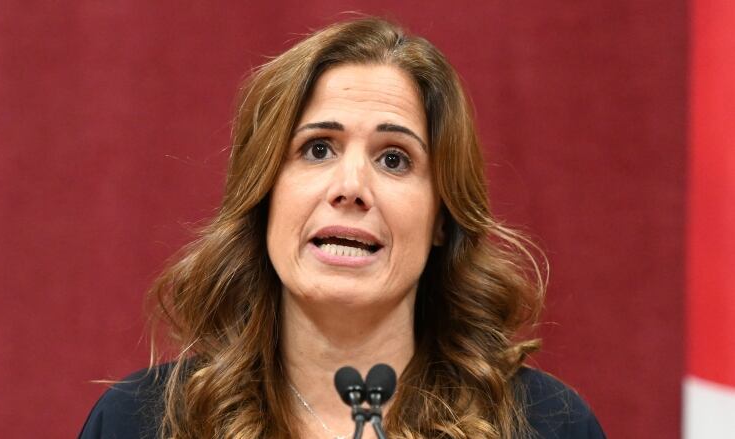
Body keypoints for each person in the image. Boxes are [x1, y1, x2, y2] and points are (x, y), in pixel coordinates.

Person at [80, 17, 606, 439]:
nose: (350, 185)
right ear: (265, 195)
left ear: (442, 219)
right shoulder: (140, 423)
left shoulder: (545, 425)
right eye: (318, 149)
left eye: (395, 159)